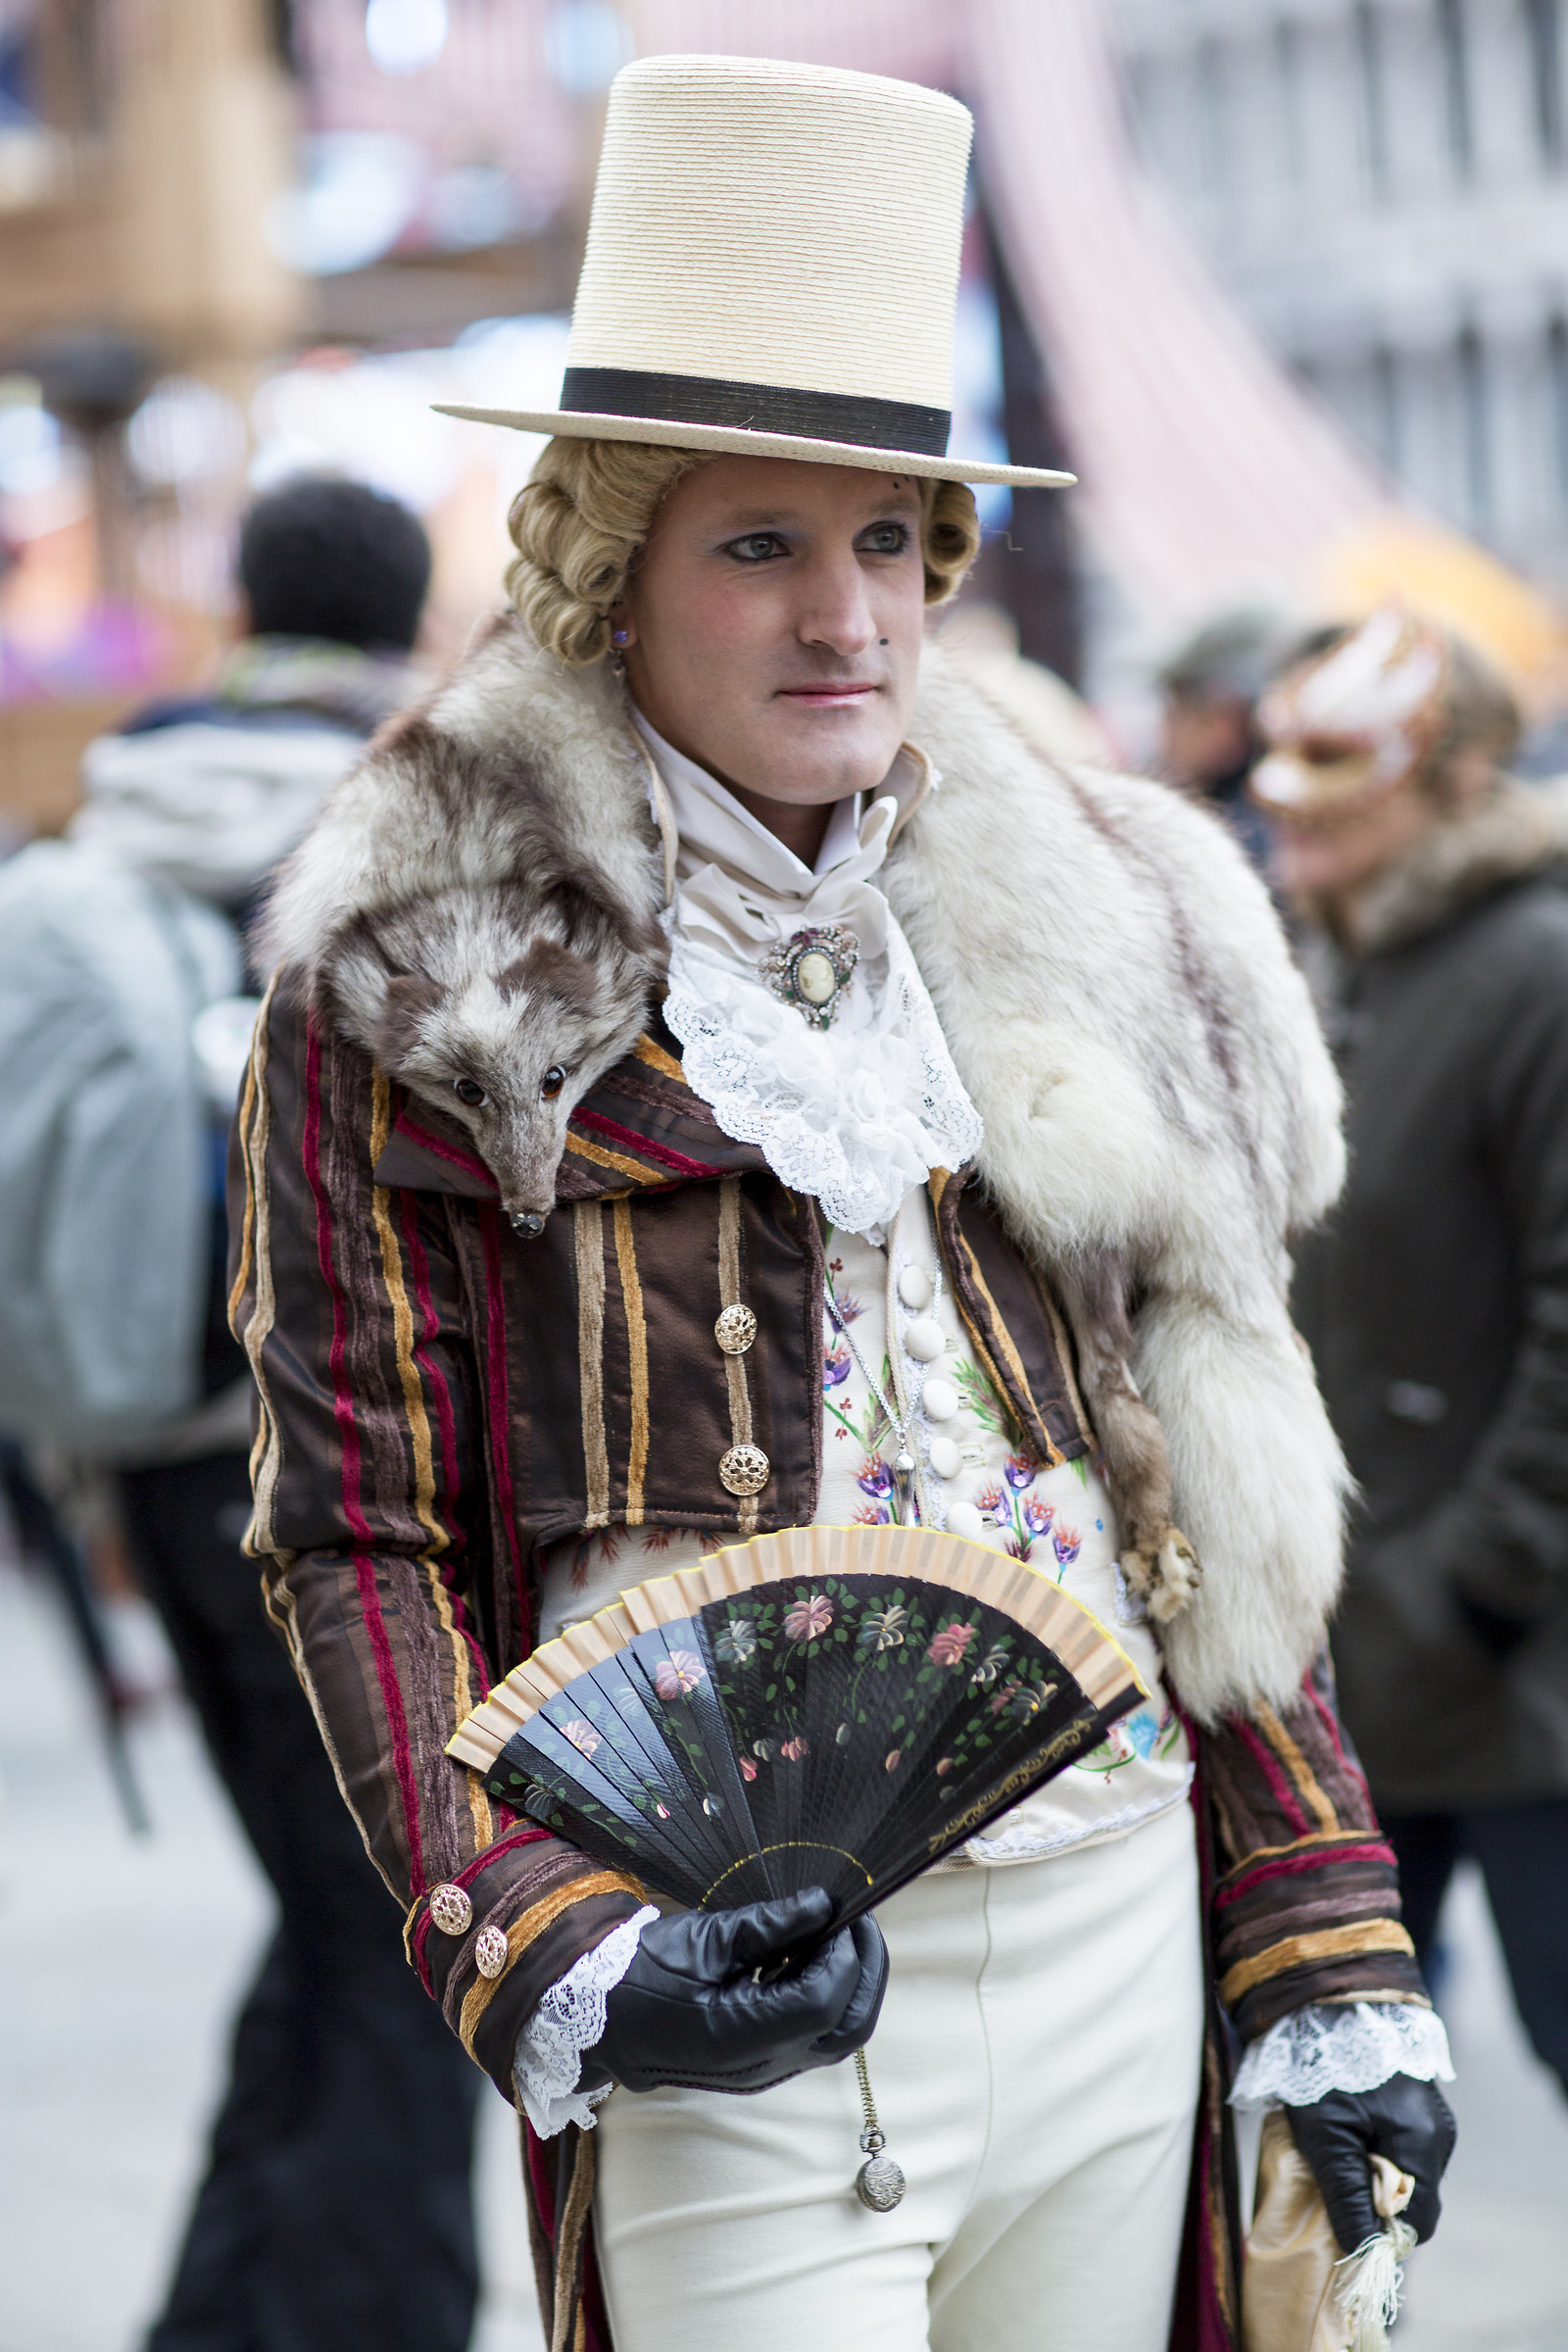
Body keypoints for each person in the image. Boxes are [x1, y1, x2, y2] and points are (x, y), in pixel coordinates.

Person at [230, 59, 1454, 2352]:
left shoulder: (1095, 906)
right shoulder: (419, 971)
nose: (846, 614)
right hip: (715, 1965)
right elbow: (356, 1527)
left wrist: (1324, 1918)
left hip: (1111, 1926)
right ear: (609, 570)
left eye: (886, 538)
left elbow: (1206, 1451)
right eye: (758, 541)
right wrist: (530, 1925)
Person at [0, 478, 485, 2352]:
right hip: (356, 1488)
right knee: (405, 1952)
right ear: (401, 610)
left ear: (244, 596)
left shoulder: (123, 803)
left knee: (333, 1914)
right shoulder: (408, 826)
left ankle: (225, 2317)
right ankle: (371, 2318)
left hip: (156, 1452)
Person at [1266, 605, 1568, 2101]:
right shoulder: (1340, 967)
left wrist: (1484, 1582)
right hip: (1367, 1657)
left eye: (1335, 756)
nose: (1279, 788)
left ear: (1452, 778)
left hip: (1514, 1668)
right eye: (1278, 746)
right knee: (1342, 2116)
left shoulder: (1538, 967)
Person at [1156, 608, 1294, 875]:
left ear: (1219, 718)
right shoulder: (1294, 832)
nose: (1165, 731)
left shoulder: (1224, 847)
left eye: (1174, 707)